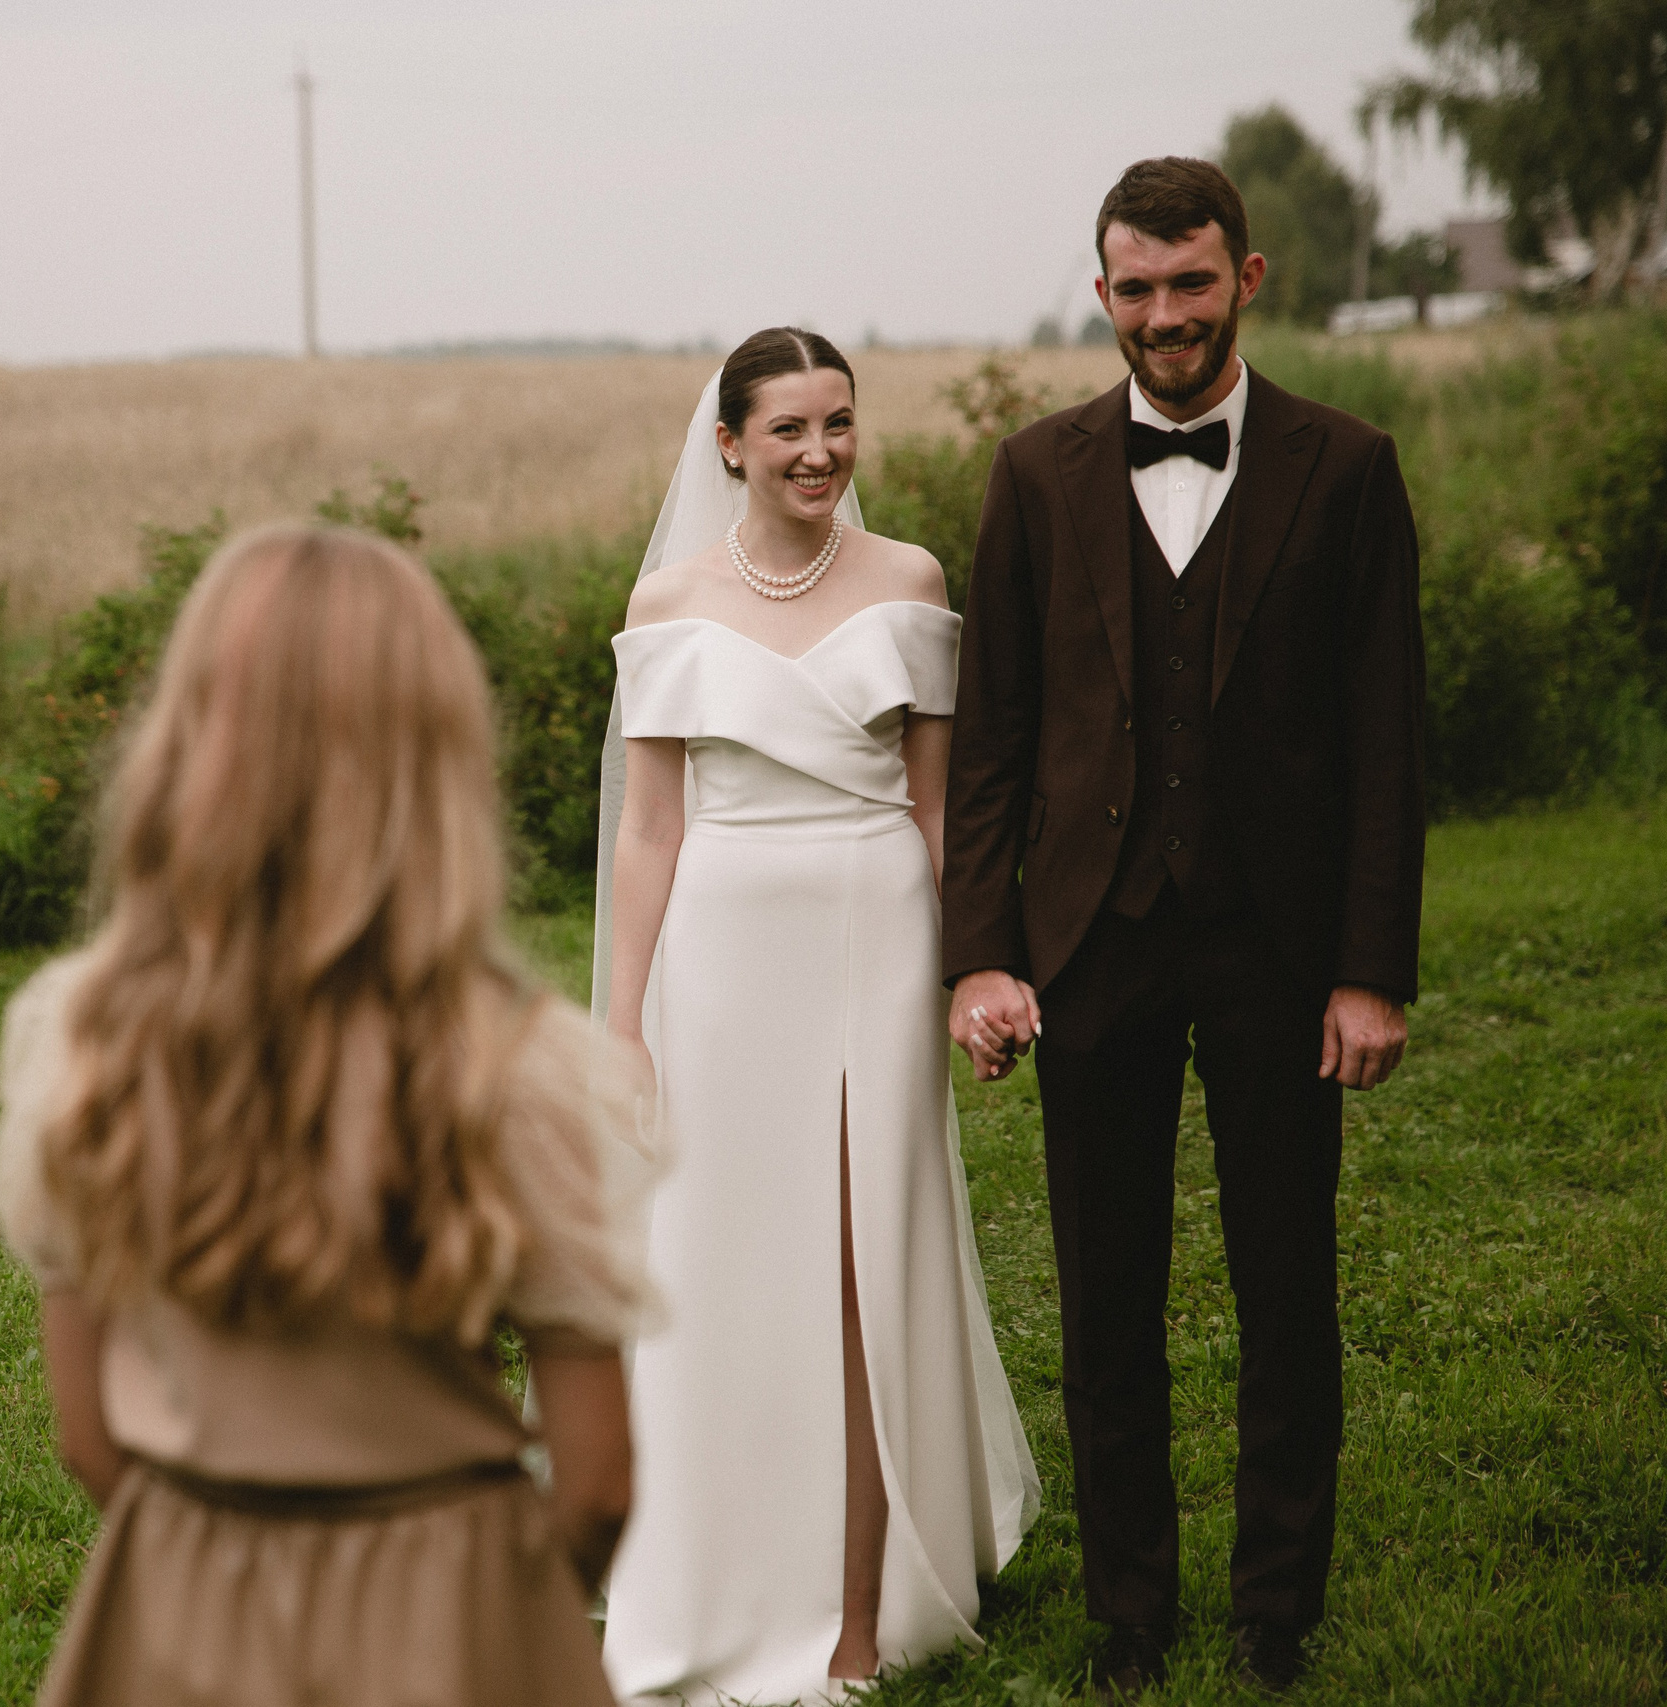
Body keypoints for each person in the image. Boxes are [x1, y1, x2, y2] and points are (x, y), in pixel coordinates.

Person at [0, 524, 659, 1707]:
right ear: (439, 759)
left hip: (186, 1600)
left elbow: (88, 1440)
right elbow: (597, 1483)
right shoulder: (518, 1067)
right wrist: (495, 1620)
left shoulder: (88, 1038)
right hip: (457, 1616)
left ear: (189, 742)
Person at [941, 157, 1427, 1700]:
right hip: (1092, 938)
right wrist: (983, 946)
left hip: (1280, 942)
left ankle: (1276, 1603)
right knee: (1106, 1296)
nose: (1166, 315)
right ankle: (1128, 1609)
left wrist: (1370, 968)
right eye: (1138, 288)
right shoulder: (1036, 473)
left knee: (1286, 1282)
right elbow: (992, 737)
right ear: (1104, 293)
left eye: (1192, 282)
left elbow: (1388, 740)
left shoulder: (1347, 467)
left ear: (1248, 278)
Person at [594, 327, 1039, 1704]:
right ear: (729, 443)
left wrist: (976, 966)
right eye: (787, 428)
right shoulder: (669, 600)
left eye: (837, 422)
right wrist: (621, 1022)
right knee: (728, 1261)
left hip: (875, 935)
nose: (818, 452)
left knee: (862, 1260)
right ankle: (719, 1576)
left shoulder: (908, 578)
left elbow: (937, 808)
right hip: (722, 954)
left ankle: (861, 1611)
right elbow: (650, 830)